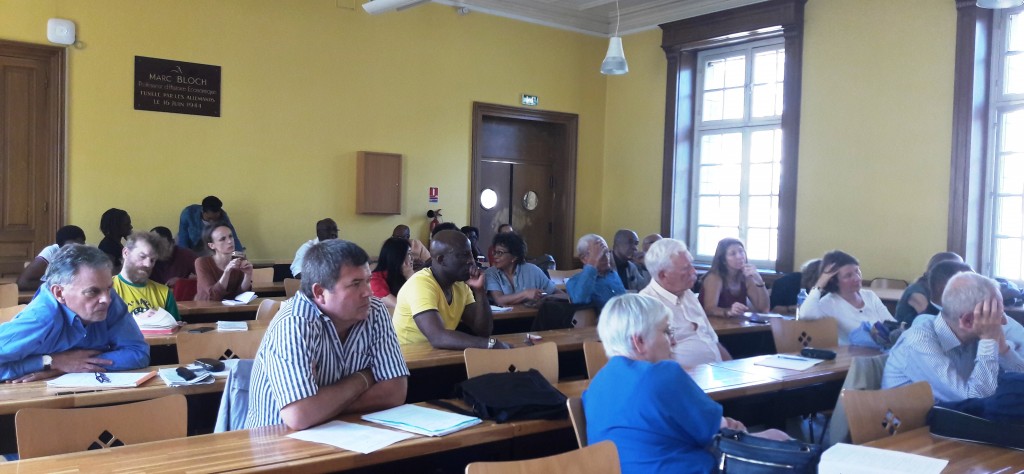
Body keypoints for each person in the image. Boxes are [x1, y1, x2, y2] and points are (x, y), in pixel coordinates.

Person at [584, 294, 788, 474]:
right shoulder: (662, 375)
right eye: (666, 332)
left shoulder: (595, 386)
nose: (673, 341)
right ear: (639, 342)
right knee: (779, 438)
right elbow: (719, 432)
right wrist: (734, 427)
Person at [245, 239, 409, 430]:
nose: (368, 292)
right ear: (320, 292)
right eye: (355, 284)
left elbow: (395, 393)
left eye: (367, 280)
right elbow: (299, 415)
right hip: (278, 442)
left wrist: (322, 407)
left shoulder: (375, 311)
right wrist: (363, 379)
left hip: (348, 433)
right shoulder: (295, 322)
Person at [0, 244, 149, 382]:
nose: (106, 299)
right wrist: (49, 361)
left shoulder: (110, 300)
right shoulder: (41, 318)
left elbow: (138, 353)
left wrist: (67, 368)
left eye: (109, 288)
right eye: (92, 292)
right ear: (59, 293)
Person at [883, 272, 1024, 402]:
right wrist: (988, 342)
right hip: (906, 425)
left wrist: (1002, 348)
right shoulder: (919, 342)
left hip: (947, 421)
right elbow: (974, 401)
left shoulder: (974, 335)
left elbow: (1019, 382)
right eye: (997, 314)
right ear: (968, 321)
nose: (1004, 321)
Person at [392, 230, 511, 349]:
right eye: (464, 255)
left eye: (471, 254)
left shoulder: (460, 285)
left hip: (438, 356)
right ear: (441, 260)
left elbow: (483, 330)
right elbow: (438, 338)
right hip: (408, 361)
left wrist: (479, 291)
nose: (471, 260)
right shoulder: (420, 284)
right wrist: (491, 344)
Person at [639, 238, 731, 366]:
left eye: (691, 265)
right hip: (682, 380)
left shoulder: (688, 294)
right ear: (663, 275)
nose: (694, 272)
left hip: (717, 374)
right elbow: (652, 362)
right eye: (686, 269)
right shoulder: (646, 306)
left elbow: (712, 339)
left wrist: (731, 367)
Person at [798, 250, 895, 345]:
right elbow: (806, 315)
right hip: (850, 358)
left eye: (857, 271)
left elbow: (891, 324)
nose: (857, 278)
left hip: (880, 354)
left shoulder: (869, 296)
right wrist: (820, 283)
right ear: (833, 280)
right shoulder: (828, 303)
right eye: (848, 276)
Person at [112, 232, 180, 321]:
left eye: (152, 260)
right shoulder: (107, 290)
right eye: (142, 256)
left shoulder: (164, 293)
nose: (148, 264)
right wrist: (137, 320)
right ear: (126, 253)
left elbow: (175, 329)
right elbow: (99, 330)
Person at [698, 238, 769, 317]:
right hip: (713, 326)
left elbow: (764, 309)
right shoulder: (714, 277)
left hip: (737, 325)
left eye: (741, 251)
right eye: (733, 254)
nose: (739, 256)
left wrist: (759, 280)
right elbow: (709, 309)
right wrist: (729, 311)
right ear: (723, 260)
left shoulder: (747, 277)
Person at [485, 232, 559, 306]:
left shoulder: (533, 270)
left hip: (532, 316)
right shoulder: (491, 273)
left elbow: (561, 295)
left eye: (500, 253)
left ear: (514, 257)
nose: (495, 256)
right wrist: (526, 294)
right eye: (494, 252)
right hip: (503, 317)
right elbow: (499, 300)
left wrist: (545, 297)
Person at [895, 252, 963, 326]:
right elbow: (930, 319)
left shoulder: (946, 289)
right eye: (959, 269)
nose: (962, 273)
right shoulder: (916, 292)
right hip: (911, 333)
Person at [16, 225, 86, 291]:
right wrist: (58, 285)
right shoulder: (51, 252)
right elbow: (22, 283)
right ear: (60, 247)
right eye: (69, 248)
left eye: (78, 247)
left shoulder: (87, 253)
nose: (73, 251)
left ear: (83, 243)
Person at [566, 234, 626, 310]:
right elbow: (580, 302)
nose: (606, 257)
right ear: (584, 259)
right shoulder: (574, 281)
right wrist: (592, 263)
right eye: (599, 254)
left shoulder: (613, 275)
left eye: (607, 252)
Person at [194, 223, 253, 301]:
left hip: (233, 309)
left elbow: (241, 294)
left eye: (230, 236)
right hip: (206, 309)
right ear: (212, 245)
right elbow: (213, 295)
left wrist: (248, 275)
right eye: (222, 239)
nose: (229, 241)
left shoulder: (239, 259)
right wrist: (227, 272)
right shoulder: (202, 262)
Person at [178, 196, 244, 254]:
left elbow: (233, 236)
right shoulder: (188, 214)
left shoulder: (223, 217)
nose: (212, 222)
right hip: (192, 244)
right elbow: (182, 237)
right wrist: (185, 257)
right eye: (209, 218)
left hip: (210, 246)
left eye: (215, 219)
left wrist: (239, 255)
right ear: (202, 211)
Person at [370, 237, 414, 312]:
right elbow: (399, 306)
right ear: (397, 257)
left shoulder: (404, 274)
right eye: (408, 254)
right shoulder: (375, 279)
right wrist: (411, 278)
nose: (412, 258)